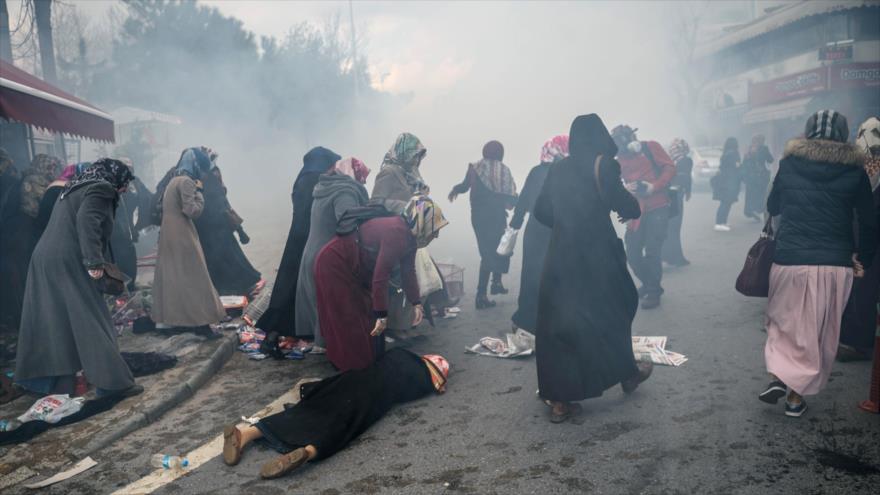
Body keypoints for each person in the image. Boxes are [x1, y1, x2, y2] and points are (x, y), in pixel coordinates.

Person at [535, 114, 653, 423]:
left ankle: (559, 401)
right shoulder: (605, 165)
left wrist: (566, 224)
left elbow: (541, 211)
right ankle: (627, 373)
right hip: (596, 257)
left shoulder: (558, 168)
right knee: (616, 309)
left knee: (559, 324)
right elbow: (625, 204)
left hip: (560, 257)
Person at [760, 110, 877, 417]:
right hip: (834, 263)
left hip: (789, 259)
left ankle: (776, 376)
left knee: (782, 321)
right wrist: (862, 258)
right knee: (817, 329)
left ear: (808, 132)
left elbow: (773, 206)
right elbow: (868, 222)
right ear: (843, 134)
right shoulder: (856, 171)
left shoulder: (789, 164)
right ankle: (795, 398)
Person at [14, 159, 142, 398]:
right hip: (69, 260)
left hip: (44, 259)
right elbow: (87, 222)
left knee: (55, 322)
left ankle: (60, 386)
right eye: (124, 182)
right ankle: (113, 384)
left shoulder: (74, 186)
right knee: (92, 318)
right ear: (115, 176)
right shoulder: (101, 188)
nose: (124, 189)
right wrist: (94, 264)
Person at [221, 348, 448, 479]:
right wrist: (438, 385)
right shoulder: (421, 380)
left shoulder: (398, 353)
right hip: (371, 395)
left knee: (310, 408)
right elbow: (420, 389)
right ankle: (308, 451)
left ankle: (246, 433)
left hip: (351, 379)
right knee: (345, 423)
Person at [315, 197, 447, 372]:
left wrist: (416, 303)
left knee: (364, 321)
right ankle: (346, 366)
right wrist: (382, 315)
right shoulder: (397, 233)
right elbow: (380, 277)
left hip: (352, 268)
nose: (436, 235)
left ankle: (351, 362)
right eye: (434, 228)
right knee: (348, 320)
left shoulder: (409, 236)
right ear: (423, 222)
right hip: (335, 265)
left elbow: (409, 272)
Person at [256, 147, 341, 350]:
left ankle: (279, 331)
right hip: (309, 237)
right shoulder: (314, 179)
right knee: (301, 286)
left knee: (289, 285)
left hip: (298, 237)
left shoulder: (302, 178)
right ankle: (289, 330)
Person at [294, 157, 370, 349]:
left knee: (321, 306)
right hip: (327, 256)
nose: (363, 182)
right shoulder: (345, 193)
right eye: (361, 177)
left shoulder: (328, 187)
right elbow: (347, 222)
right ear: (353, 175)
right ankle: (334, 349)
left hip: (313, 252)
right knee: (331, 307)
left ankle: (326, 345)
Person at [151, 148, 226, 335]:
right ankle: (201, 322)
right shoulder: (186, 182)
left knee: (174, 278)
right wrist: (200, 193)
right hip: (182, 235)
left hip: (169, 234)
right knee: (194, 277)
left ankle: (171, 322)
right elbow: (192, 211)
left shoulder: (173, 180)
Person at [370, 133, 433, 332]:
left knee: (407, 276)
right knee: (392, 279)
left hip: (409, 230)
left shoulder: (411, 172)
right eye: (414, 155)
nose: (417, 160)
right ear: (404, 153)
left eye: (419, 156)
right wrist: (402, 206)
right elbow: (375, 202)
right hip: (391, 232)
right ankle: (388, 323)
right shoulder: (389, 172)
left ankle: (402, 322)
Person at [611, 125, 676, 309]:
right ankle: (650, 283)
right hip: (636, 210)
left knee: (653, 251)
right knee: (632, 254)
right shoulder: (619, 160)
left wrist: (653, 186)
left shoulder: (650, 147)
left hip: (658, 205)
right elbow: (617, 184)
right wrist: (626, 191)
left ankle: (653, 291)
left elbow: (670, 168)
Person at [448, 141, 518, 309]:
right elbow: (511, 195)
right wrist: (517, 203)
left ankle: (495, 284)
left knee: (487, 251)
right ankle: (483, 294)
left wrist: (455, 189)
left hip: (478, 217)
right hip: (497, 216)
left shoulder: (475, 168)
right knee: (500, 248)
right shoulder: (504, 170)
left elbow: (465, 186)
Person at [510, 135, 568, 332]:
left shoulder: (536, 171)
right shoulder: (568, 172)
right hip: (560, 231)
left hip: (535, 231)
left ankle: (526, 321)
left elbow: (524, 200)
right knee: (559, 276)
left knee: (532, 275)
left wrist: (514, 225)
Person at [0, 154, 61, 330]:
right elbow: (35, 210)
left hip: (29, 232)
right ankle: (28, 318)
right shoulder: (33, 181)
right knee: (23, 275)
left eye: (53, 168)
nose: (52, 171)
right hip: (22, 233)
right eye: (49, 167)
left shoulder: (42, 181)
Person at [839, 117, 880, 361]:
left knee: (862, 290)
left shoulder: (857, 166)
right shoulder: (859, 167)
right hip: (862, 237)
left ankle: (856, 343)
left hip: (865, 239)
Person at [194, 165, 263, 296]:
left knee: (229, 262)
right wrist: (240, 230)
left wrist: (239, 230)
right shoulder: (205, 183)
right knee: (228, 263)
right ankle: (232, 291)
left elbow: (224, 207)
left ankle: (234, 290)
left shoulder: (204, 183)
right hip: (214, 233)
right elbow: (222, 207)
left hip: (217, 232)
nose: (219, 176)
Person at [662, 138, 693, 267]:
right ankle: (675, 258)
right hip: (675, 196)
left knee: (669, 227)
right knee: (674, 227)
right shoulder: (685, 160)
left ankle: (668, 256)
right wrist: (687, 191)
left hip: (665, 195)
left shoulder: (668, 160)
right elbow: (685, 177)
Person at [711, 137, 741, 231]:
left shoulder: (725, 154)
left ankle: (723, 222)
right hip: (729, 182)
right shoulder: (733, 154)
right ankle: (719, 223)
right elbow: (737, 166)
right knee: (726, 202)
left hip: (724, 181)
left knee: (726, 202)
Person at [741, 135, 774, 221]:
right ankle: (757, 209)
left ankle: (750, 210)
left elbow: (744, 163)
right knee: (761, 193)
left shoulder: (749, 149)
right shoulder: (763, 148)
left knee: (751, 194)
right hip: (760, 176)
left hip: (750, 176)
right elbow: (770, 160)